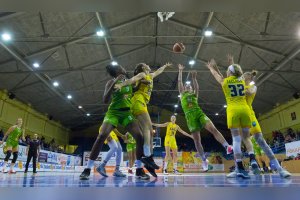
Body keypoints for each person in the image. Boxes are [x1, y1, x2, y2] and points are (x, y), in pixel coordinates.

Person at [79, 63, 156, 180]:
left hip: (127, 114)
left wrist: (142, 82)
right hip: (113, 113)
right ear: (117, 71)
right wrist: (115, 83)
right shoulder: (111, 82)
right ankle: (87, 169)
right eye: (121, 67)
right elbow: (105, 99)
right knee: (102, 135)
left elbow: (134, 89)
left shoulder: (128, 81)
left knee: (139, 137)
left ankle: (139, 170)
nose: (124, 67)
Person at [115, 62, 171, 177]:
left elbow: (158, 71)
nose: (148, 65)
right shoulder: (141, 74)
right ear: (142, 68)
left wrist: (165, 66)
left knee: (149, 132)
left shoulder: (150, 76)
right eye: (145, 65)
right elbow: (131, 80)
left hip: (142, 103)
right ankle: (147, 157)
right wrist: (121, 85)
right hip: (138, 101)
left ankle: (147, 164)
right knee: (147, 130)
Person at [206, 57, 259, 179]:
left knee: (236, 140)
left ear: (229, 72)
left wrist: (211, 68)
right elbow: (236, 70)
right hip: (245, 110)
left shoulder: (225, 82)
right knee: (246, 138)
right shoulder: (241, 80)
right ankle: (253, 159)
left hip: (233, 111)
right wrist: (231, 63)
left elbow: (216, 75)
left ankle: (239, 167)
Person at [177, 65, 233, 172]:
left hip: (199, 114)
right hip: (190, 118)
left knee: (213, 129)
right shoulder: (182, 94)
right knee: (197, 141)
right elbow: (179, 82)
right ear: (183, 89)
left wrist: (194, 78)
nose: (188, 87)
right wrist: (180, 71)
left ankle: (227, 146)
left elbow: (197, 88)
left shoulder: (194, 95)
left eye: (190, 86)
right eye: (186, 86)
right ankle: (203, 160)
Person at [242, 70, 290, 178]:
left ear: (248, 79)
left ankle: (279, 169)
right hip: (240, 117)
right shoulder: (238, 86)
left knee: (262, 142)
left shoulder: (253, 87)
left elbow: (248, 92)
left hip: (250, 117)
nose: (243, 79)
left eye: (245, 77)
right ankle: (240, 168)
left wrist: (240, 87)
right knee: (239, 141)